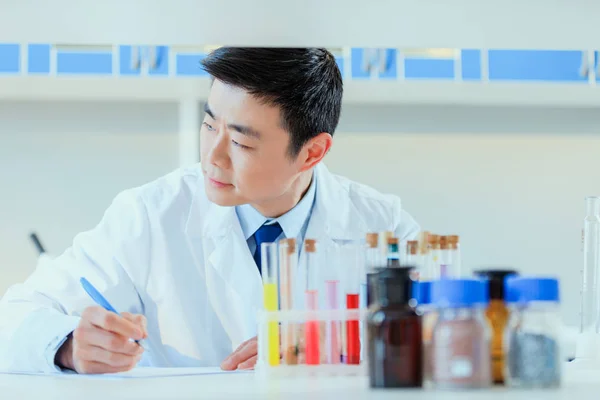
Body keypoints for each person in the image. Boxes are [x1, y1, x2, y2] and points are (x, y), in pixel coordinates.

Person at [0, 48, 419, 374]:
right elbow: (13, 316)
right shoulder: (149, 215)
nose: (212, 157)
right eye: (209, 125)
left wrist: (334, 346)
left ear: (312, 152)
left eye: (241, 142)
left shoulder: (384, 227)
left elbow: (449, 333)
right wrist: (69, 345)